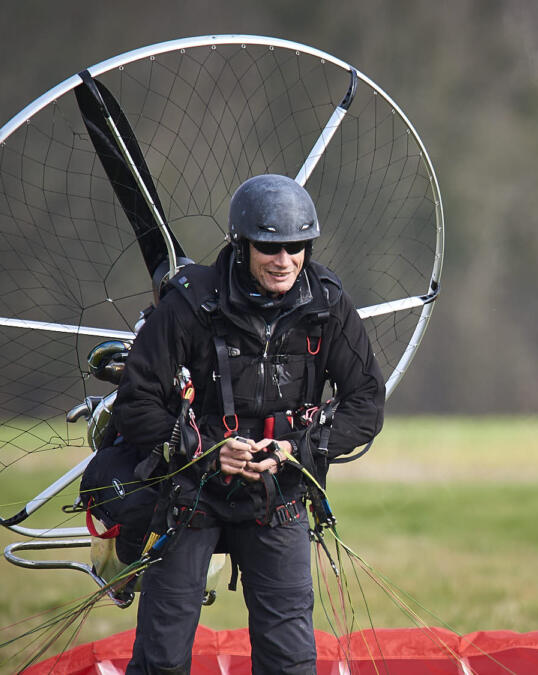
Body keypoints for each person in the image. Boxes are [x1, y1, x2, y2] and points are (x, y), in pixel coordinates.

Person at [113, 174, 385, 674]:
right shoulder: (190, 304)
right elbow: (136, 402)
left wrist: (296, 450)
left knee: (290, 663)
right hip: (191, 494)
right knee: (162, 661)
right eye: (270, 248)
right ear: (242, 245)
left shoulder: (326, 307)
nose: (284, 261)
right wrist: (205, 451)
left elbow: (366, 402)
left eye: (297, 247)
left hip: (276, 496)